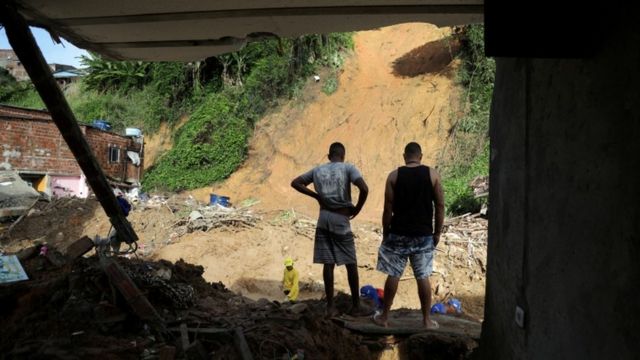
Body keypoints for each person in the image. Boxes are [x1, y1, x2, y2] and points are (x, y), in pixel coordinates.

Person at [291, 142, 369, 317]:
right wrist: (357, 208)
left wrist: (316, 196)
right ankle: (356, 306)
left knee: (328, 263)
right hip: (341, 219)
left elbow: (295, 183)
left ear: (329, 156)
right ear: (343, 155)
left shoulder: (317, 170)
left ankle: (330, 307)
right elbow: (364, 188)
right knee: (350, 263)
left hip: (323, 218)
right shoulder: (348, 168)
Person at [373, 142, 445, 329]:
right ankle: (426, 320)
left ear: (405, 156)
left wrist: (386, 232)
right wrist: (437, 232)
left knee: (394, 274)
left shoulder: (394, 176)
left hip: (399, 233)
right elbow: (440, 206)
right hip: (423, 234)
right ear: (420, 156)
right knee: (423, 276)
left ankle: (384, 317)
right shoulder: (432, 175)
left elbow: (387, 208)